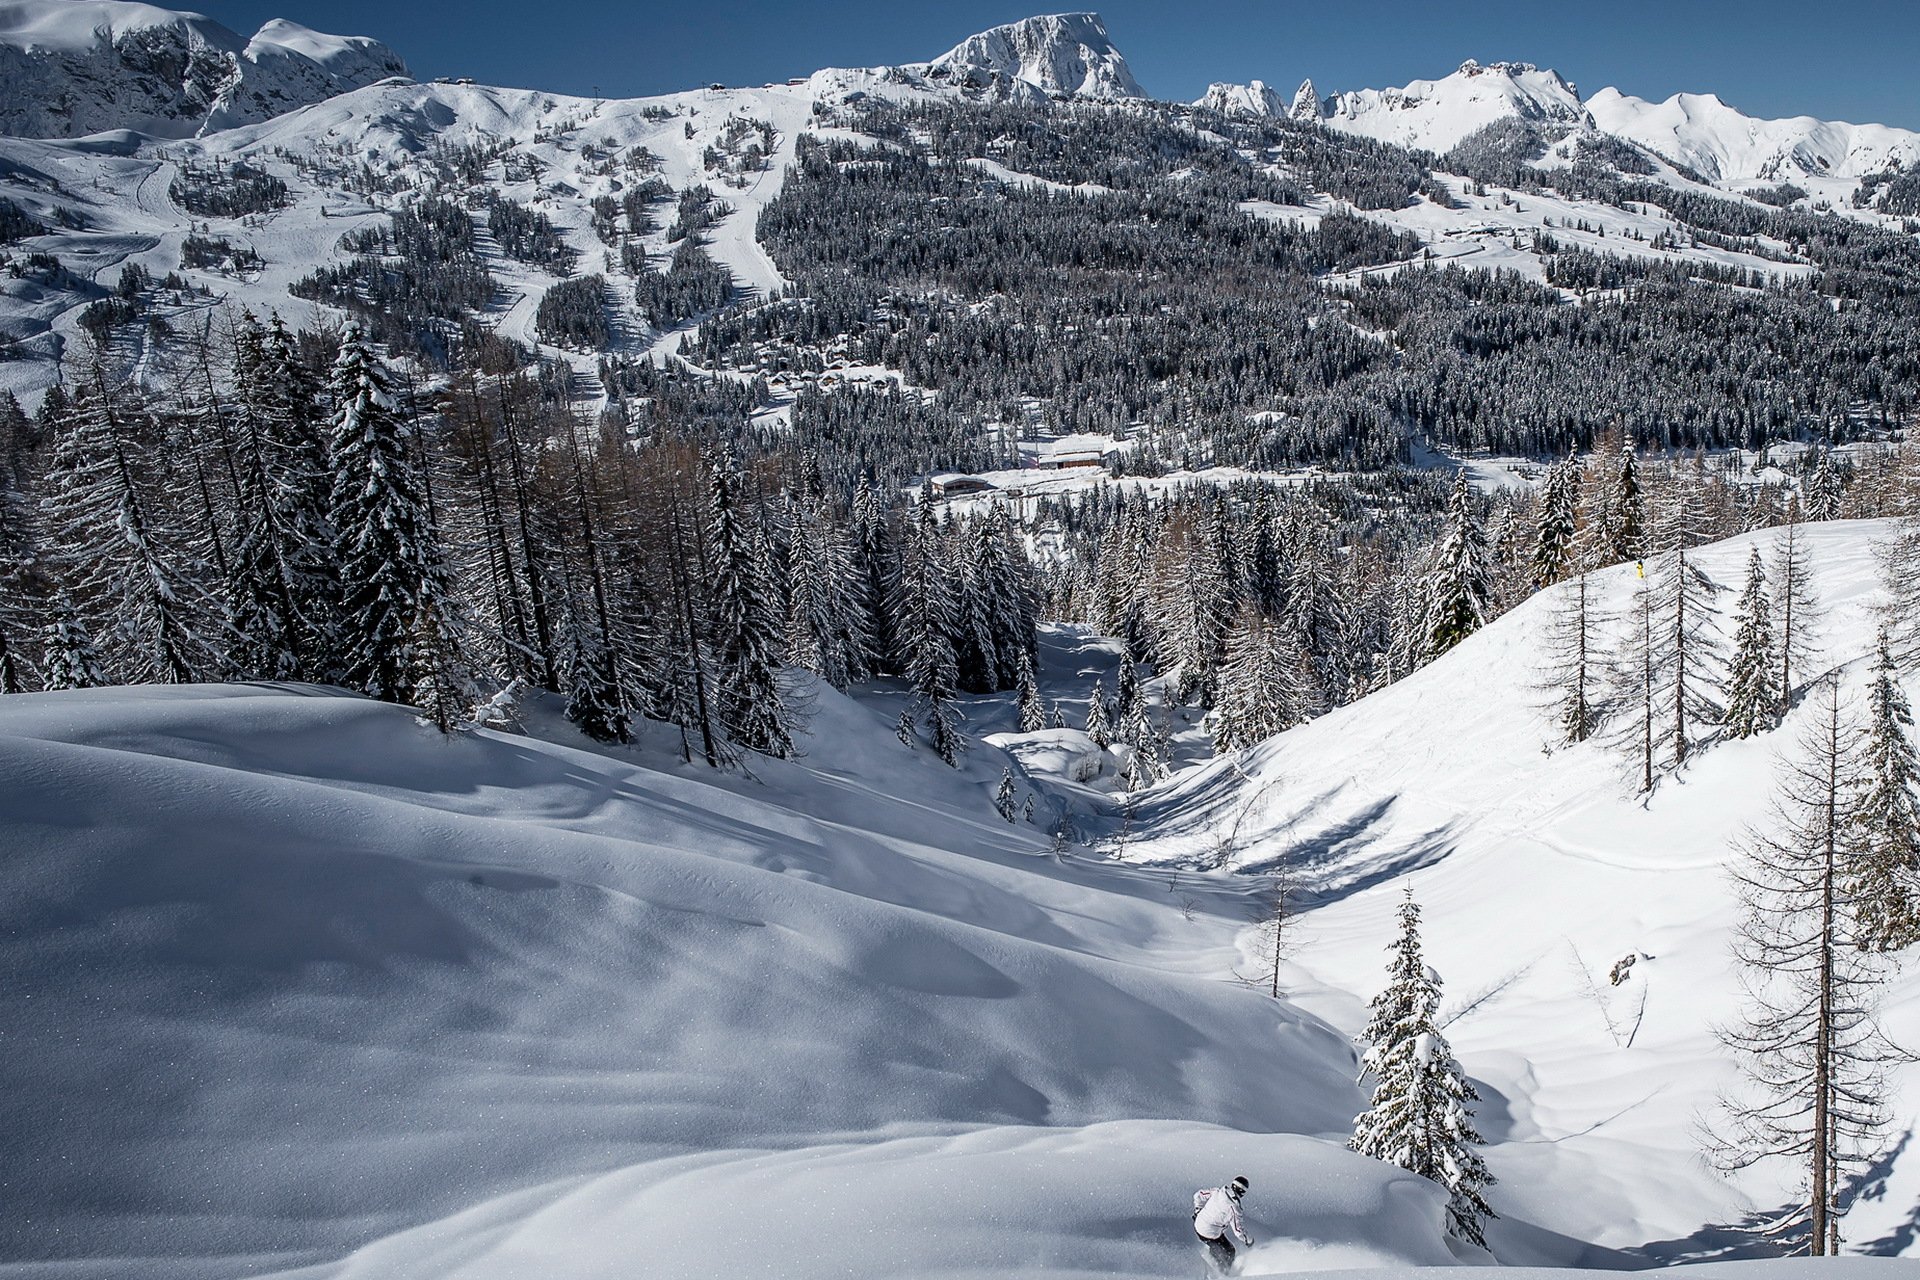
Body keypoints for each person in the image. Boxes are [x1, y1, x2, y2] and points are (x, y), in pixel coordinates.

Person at [1192, 1174, 1253, 1273]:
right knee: (1230, 1251)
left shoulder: (1217, 1192)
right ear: (1242, 1192)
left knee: (1217, 1241)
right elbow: (1238, 1231)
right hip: (1209, 1234)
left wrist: (1198, 1210)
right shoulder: (1233, 1208)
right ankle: (1223, 1272)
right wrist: (1249, 1241)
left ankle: (1212, 1254)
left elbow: (1198, 1195)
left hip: (1198, 1223)